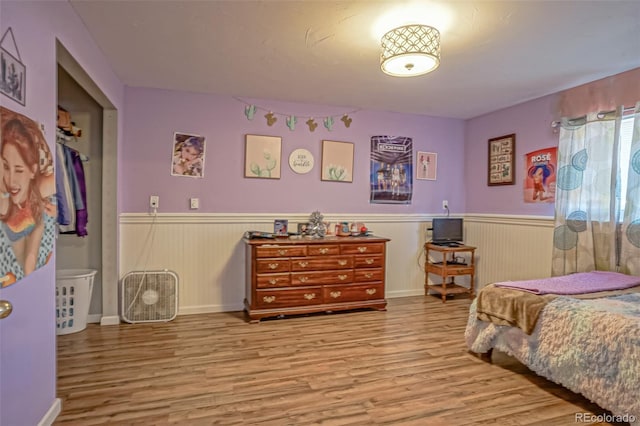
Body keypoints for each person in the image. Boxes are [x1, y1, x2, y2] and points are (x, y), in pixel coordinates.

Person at [1, 107, 56, 282]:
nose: (10, 180)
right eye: (6, 167)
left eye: (18, 170)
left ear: (32, 171)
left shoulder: (43, 185)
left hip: (36, 219)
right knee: (23, 265)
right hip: (16, 229)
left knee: (29, 263)